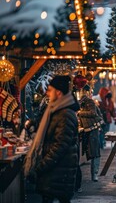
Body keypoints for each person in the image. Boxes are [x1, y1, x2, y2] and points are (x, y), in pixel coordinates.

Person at [23, 75, 80, 203]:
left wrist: (39, 168)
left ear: (58, 92)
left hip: (59, 173)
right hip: (55, 172)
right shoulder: (54, 110)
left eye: (50, 90)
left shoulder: (65, 114)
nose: (47, 93)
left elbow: (59, 147)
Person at [77, 85, 103, 182]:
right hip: (85, 129)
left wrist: (80, 113)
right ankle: (93, 174)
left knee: (94, 152)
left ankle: (94, 174)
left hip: (92, 128)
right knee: (91, 151)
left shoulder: (89, 101)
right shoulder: (79, 102)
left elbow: (93, 113)